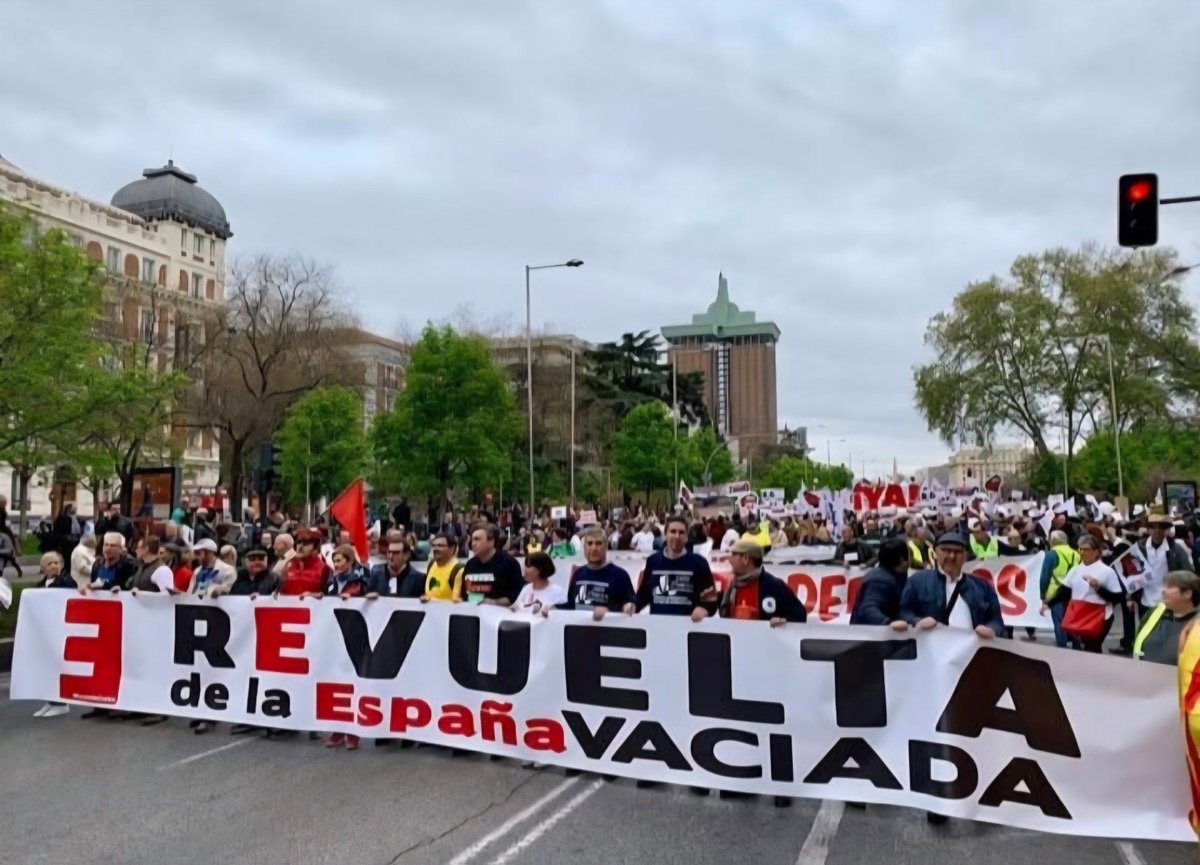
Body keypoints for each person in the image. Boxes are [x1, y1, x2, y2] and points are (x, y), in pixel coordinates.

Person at [900, 530, 1005, 826]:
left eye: (957, 552)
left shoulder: (981, 588)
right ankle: (939, 800)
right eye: (945, 550)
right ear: (936, 554)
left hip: (972, 670)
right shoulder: (918, 582)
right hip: (932, 672)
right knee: (938, 737)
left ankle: (977, 799)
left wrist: (993, 630)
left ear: (966, 557)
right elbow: (903, 610)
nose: (950, 557)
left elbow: (998, 620)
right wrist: (915, 622)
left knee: (975, 735)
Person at [717, 538, 804, 808]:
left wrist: (784, 622)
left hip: (769, 667)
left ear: (746, 559)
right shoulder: (731, 587)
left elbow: (799, 614)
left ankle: (781, 784)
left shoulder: (773, 586)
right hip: (740, 665)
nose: (729, 558)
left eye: (734, 554)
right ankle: (745, 779)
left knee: (774, 726)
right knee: (742, 724)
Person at [631, 515, 716, 621]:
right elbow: (644, 595)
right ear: (665, 534)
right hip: (657, 628)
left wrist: (704, 609)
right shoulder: (652, 561)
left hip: (688, 630)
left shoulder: (699, 563)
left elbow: (711, 600)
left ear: (686, 537)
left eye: (681, 532)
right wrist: (632, 606)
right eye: (673, 531)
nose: (677, 536)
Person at [1057, 535, 1125, 652]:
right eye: (1080, 549)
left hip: (1099, 616)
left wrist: (1098, 588)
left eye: (1086, 549)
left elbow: (1117, 598)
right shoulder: (1075, 570)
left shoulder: (1107, 571)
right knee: (1086, 648)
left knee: (1092, 648)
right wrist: (1048, 604)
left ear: (1096, 551)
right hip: (1079, 614)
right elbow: (1064, 592)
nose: (1082, 552)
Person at [32, 552, 75, 718]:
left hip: (59, 628)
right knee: (46, 666)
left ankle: (61, 702)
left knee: (58, 666)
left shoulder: (66, 581)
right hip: (45, 631)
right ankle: (50, 700)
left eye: (57, 562)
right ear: (43, 567)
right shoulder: (40, 585)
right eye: (50, 563)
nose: (54, 566)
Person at [561, 526, 635, 620]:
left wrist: (611, 610)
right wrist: (551, 608)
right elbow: (571, 605)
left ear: (606, 546)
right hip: (580, 632)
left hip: (609, 631)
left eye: (598, 543)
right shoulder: (578, 574)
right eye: (590, 543)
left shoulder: (620, 575)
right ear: (584, 547)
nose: (594, 548)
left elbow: (630, 606)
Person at [1134, 570, 1200, 665]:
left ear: (1187, 594)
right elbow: (1139, 640)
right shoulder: (1155, 612)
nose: (1163, 590)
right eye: (1163, 586)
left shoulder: (1197, 624)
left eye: (1169, 586)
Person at [850, 537, 910, 628]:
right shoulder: (879, 580)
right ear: (903, 560)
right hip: (871, 637)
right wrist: (888, 623)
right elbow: (868, 609)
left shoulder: (894, 575)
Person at [1038, 530, 1083, 649]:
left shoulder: (1052, 554)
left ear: (1052, 541)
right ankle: (1077, 646)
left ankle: (1062, 648)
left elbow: (1044, 577)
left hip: (1056, 594)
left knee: (1060, 623)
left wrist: (1043, 595)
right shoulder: (1076, 554)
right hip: (1074, 593)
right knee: (1073, 620)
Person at [462, 524, 524, 605]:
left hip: (500, 615)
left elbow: (517, 596)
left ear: (491, 541)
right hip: (473, 613)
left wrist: (494, 602)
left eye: (477, 539)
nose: (473, 543)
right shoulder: (470, 564)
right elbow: (464, 594)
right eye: (472, 540)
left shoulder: (509, 563)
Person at [279, 529, 329, 596]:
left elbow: (332, 595)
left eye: (306, 543)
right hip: (288, 605)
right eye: (298, 542)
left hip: (313, 605)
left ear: (315, 546)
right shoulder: (287, 565)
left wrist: (317, 595)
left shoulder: (324, 568)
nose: (300, 547)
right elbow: (279, 591)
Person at [422, 532, 464, 602]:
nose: (435, 548)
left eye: (440, 545)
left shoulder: (458, 569)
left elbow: (456, 602)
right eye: (434, 545)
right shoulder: (432, 564)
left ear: (452, 548)